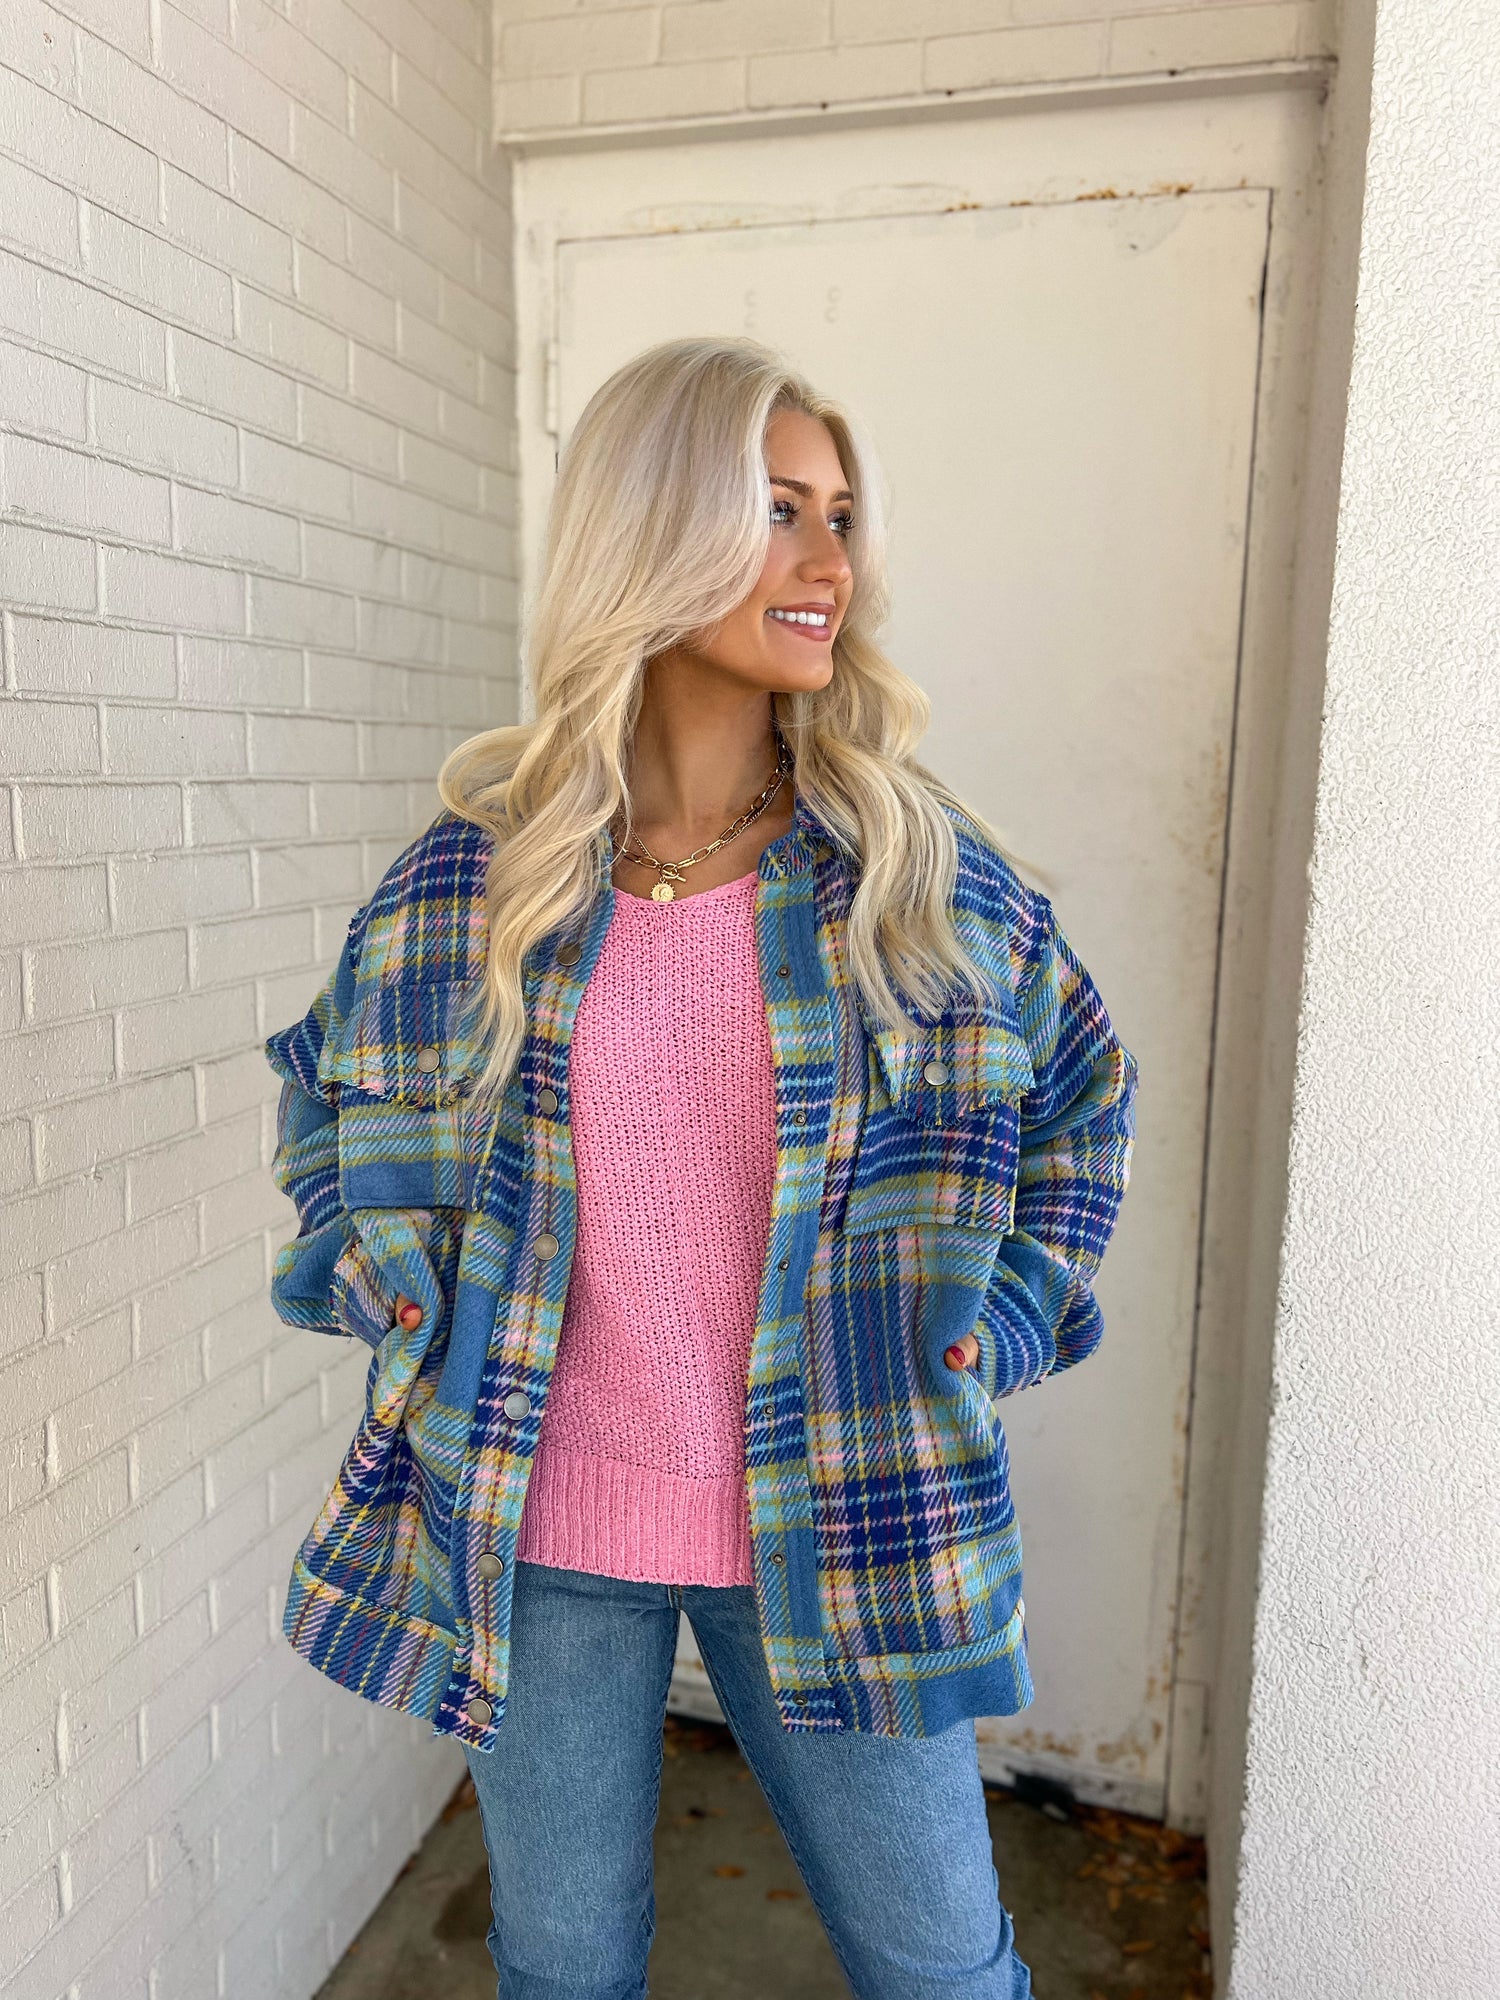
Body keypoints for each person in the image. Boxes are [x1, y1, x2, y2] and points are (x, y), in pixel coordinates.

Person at [264, 336, 1139, 2000]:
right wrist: (382, 1275)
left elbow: (1087, 1094)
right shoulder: (482, 879)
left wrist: (1011, 1314)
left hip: (849, 1506)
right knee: (563, 1970)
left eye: (842, 517)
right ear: (652, 530)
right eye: (780, 511)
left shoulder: (910, 875)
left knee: (943, 1972)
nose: (831, 563)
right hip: (538, 1520)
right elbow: (326, 1094)